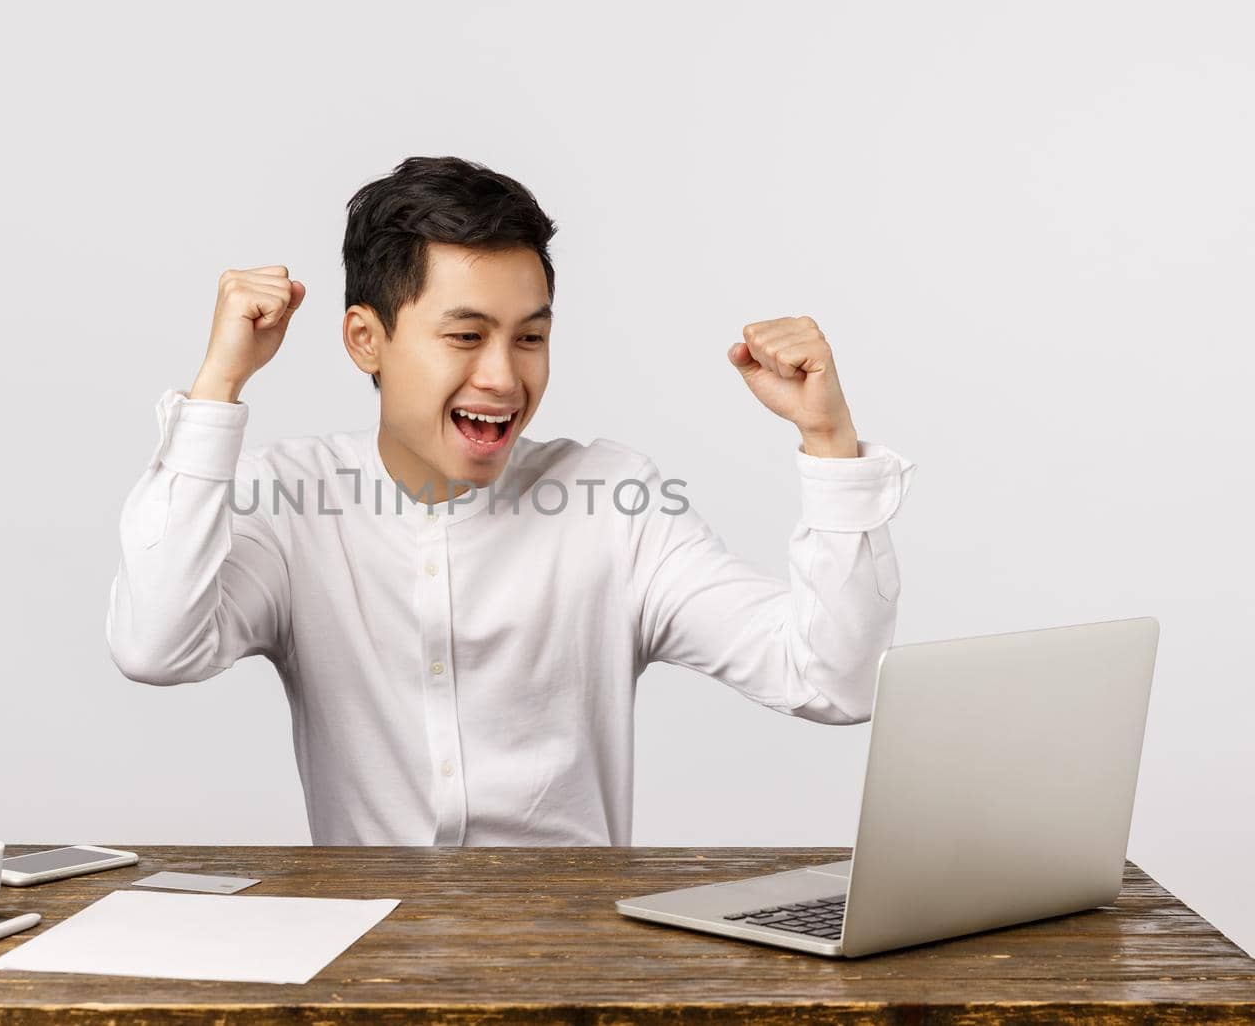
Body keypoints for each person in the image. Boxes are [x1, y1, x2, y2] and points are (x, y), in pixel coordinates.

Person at [105, 155, 916, 846]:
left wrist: (828, 436)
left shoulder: (614, 503)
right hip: (368, 969)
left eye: (529, 336)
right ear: (366, 339)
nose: (503, 377)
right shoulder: (294, 502)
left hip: (570, 962)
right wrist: (218, 389)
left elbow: (833, 682)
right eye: (465, 336)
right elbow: (157, 644)